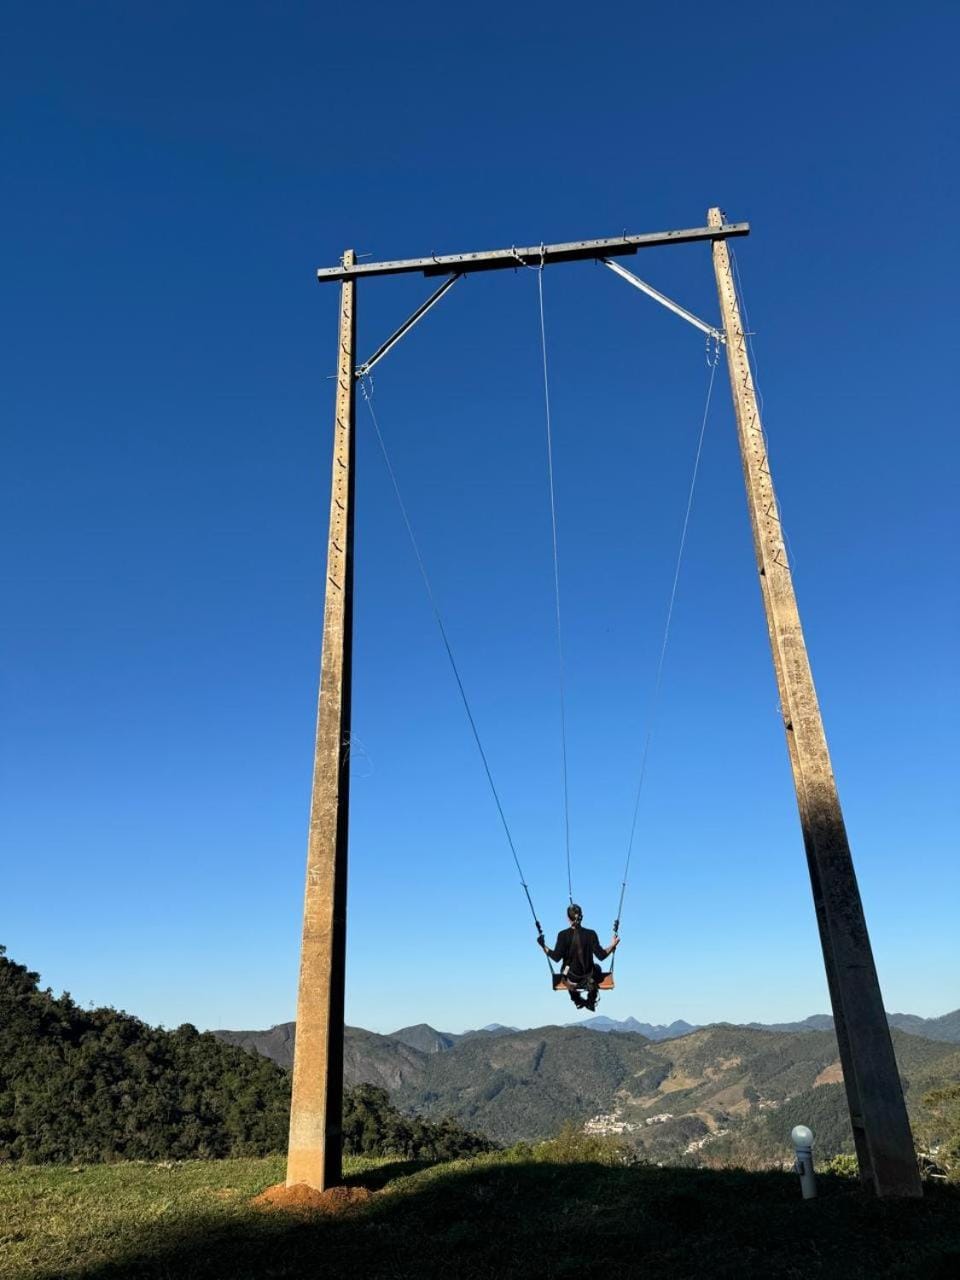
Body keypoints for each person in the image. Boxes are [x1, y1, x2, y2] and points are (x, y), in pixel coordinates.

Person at [538, 904, 620, 1011]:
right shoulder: (591, 934)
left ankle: (577, 1000)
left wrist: (543, 946)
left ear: (568, 918)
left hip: (572, 979)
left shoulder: (562, 935)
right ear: (582, 917)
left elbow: (556, 957)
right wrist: (613, 945)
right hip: (588, 977)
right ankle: (591, 999)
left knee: (565, 970)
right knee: (597, 968)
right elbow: (601, 956)